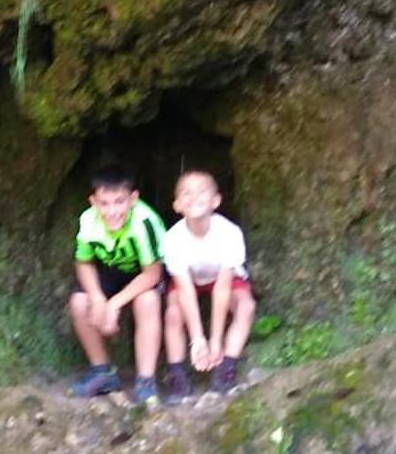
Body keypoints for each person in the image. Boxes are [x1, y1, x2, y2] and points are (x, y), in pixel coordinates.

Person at [68, 167, 167, 403]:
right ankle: (103, 372)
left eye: (119, 202)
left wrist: (113, 305)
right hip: (111, 269)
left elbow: (153, 274)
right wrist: (97, 297)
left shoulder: (144, 221)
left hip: (143, 272)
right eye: (104, 203)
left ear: (133, 199)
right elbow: (84, 263)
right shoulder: (88, 220)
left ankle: (146, 380)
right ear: (93, 202)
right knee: (79, 302)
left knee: (148, 301)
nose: (112, 211)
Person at [161, 169, 256, 399]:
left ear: (216, 201)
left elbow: (223, 288)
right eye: (186, 193)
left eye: (202, 191)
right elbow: (184, 289)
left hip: (222, 279)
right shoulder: (173, 239)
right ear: (177, 205)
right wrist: (197, 339)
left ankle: (225, 369)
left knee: (246, 306)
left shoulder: (229, 233)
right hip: (189, 281)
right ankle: (177, 374)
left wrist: (215, 341)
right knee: (173, 312)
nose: (194, 197)